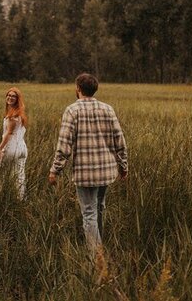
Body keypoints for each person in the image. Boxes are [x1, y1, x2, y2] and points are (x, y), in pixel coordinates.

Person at [48, 73, 128, 258]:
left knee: (90, 212)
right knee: (99, 207)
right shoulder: (108, 109)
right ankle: (99, 248)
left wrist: (55, 170)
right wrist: (123, 166)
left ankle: (96, 258)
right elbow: (120, 141)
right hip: (106, 171)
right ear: (95, 89)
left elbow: (64, 144)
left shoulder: (72, 111)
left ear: (78, 89)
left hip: (85, 173)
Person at [0, 86, 28, 200]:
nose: (10, 97)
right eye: (8, 95)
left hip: (12, 148)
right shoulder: (20, 114)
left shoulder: (13, 116)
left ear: (17, 99)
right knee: (19, 176)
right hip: (22, 149)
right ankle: (21, 199)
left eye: (13, 96)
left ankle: (2, 198)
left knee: (1, 173)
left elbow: (9, 134)